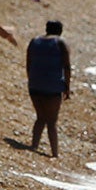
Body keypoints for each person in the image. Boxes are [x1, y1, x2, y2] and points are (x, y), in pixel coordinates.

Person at [25, 19, 71, 158]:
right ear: (60, 31)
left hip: (35, 84)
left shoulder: (34, 41)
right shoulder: (60, 43)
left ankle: (34, 145)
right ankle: (54, 153)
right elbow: (67, 67)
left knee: (40, 117)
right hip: (53, 86)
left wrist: (31, 79)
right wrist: (67, 87)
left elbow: (28, 63)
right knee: (52, 121)